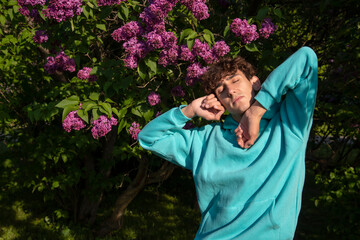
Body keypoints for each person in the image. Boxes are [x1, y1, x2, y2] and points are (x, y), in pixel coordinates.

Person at [138, 46, 318, 239]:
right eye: (221, 90)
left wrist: (256, 111)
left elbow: (306, 59)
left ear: (256, 83)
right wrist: (190, 110)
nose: (230, 90)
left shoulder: (288, 124)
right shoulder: (204, 140)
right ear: (219, 101)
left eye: (236, 80)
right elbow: (149, 138)